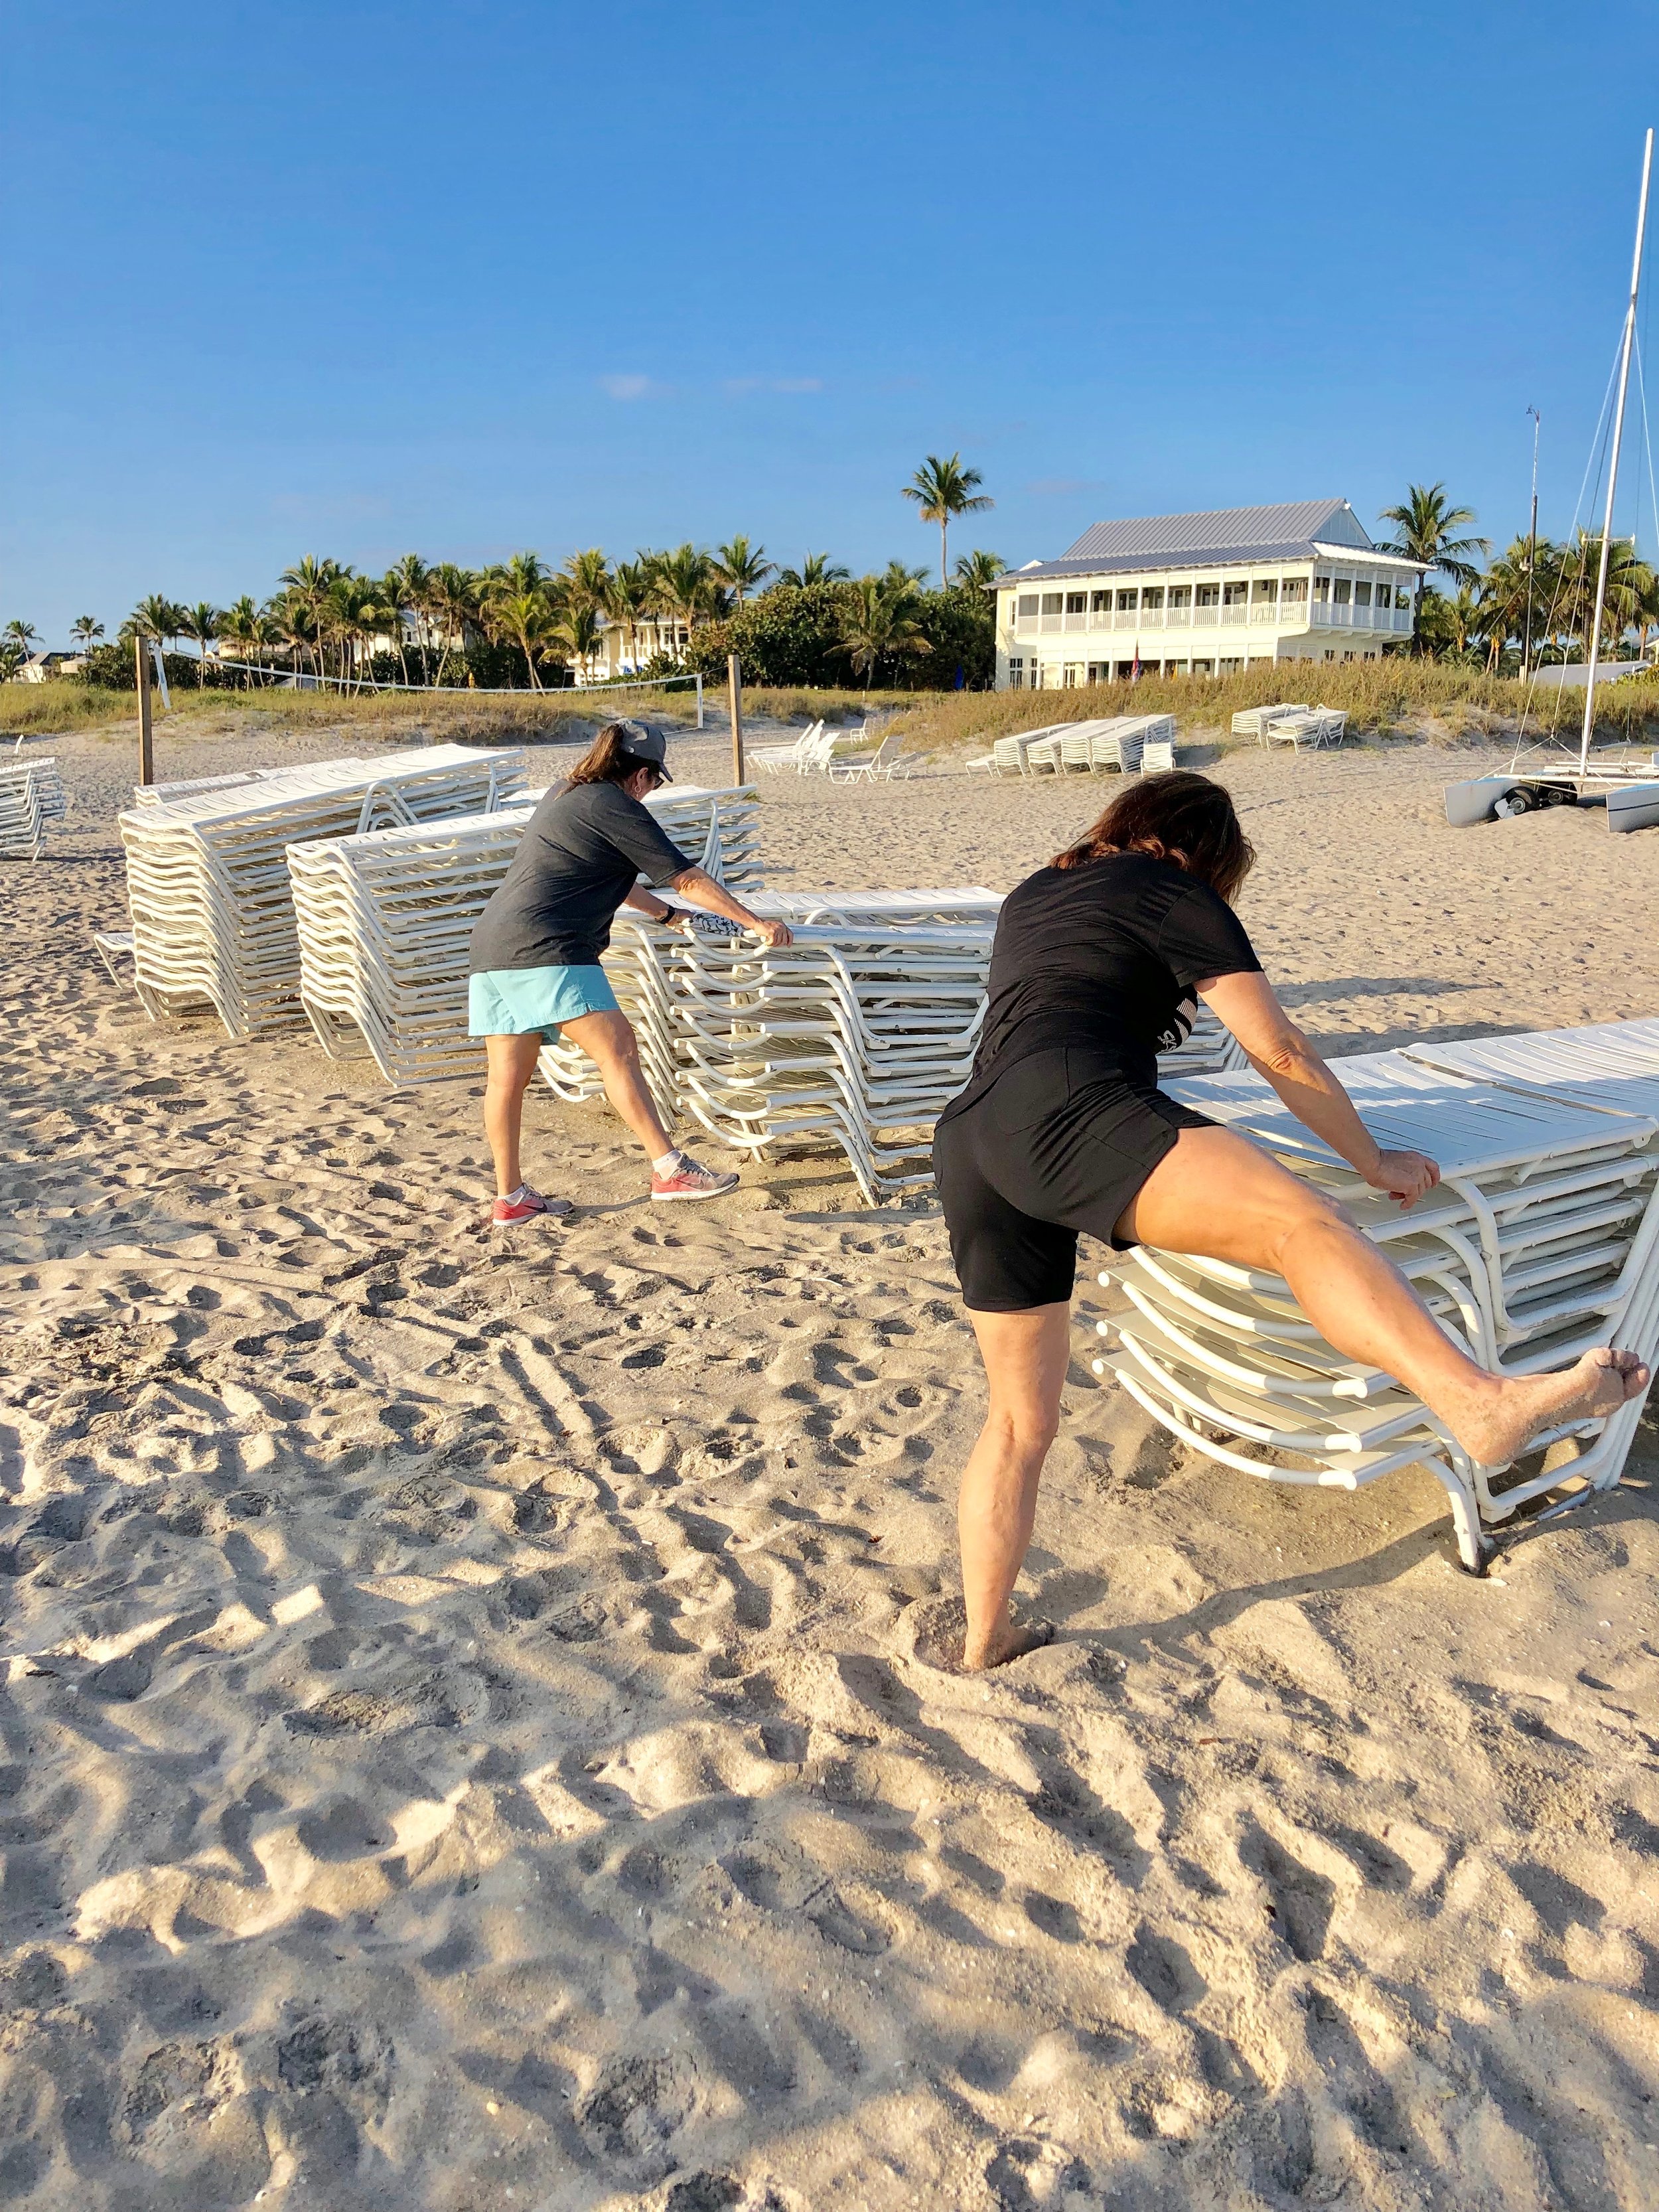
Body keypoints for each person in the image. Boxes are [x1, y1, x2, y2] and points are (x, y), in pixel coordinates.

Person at [933, 771, 1648, 1671]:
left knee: (1016, 1423)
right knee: (1302, 1228)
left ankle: (984, 1635)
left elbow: (1063, 1002)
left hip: (969, 1139)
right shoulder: (1173, 887)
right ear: (1207, 854)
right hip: (1071, 1110)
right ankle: (1475, 1401)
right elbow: (1278, 1046)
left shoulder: (1035, 892)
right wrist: (1372, 1162)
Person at [468, 719, 791, 1222]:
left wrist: (663, 915)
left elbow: (601, 873)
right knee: (617, 1047)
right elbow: (686, 877)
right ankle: (669, 1168)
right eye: (656, 782)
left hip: (493, 945)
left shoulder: (566, 792)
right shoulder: (615, 805)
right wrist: (754, 921)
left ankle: (509, 1197)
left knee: (506, 1079)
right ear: (641, 775)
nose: (652, 792)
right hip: (550, 945)